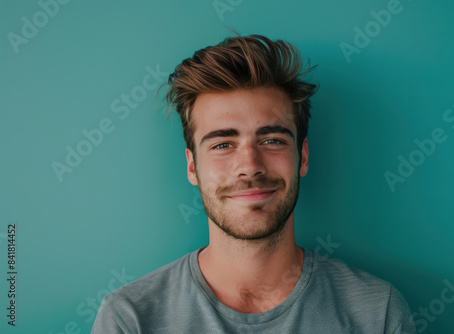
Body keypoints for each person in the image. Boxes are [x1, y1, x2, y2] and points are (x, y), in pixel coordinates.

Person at [91, 34, 416, 333]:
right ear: (192, 167)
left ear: (302, 157)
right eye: (222, 145)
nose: (250, 166)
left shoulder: (376, 313)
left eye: (272, 140)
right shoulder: (130, 319)